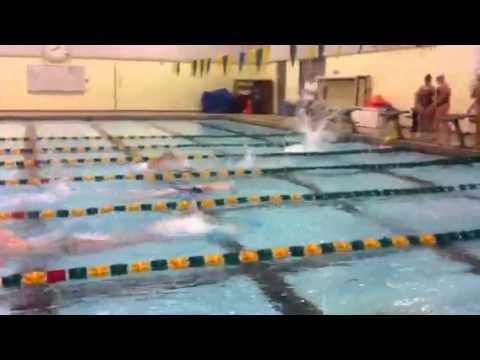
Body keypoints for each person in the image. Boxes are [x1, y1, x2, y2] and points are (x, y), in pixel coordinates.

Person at [434, 74, 452, 144]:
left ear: (440, 80)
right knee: (444, 121)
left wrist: (436, 103)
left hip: (442, 105)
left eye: (437, 80)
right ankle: (447, 134)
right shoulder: (447, 86)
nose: (437, 82)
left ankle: (438, 137)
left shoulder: (442, 87)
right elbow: (445, 98)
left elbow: (441, 98)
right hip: (446, 105)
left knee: (439, 120)